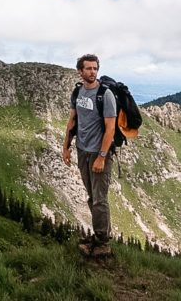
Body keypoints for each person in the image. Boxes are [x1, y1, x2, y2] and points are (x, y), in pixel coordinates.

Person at [62, 53, 116, 257]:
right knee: (92, 196)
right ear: (80, 71)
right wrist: (66, 146)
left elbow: (110, 128)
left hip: (98, 153)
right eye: (88, 68)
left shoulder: (105, 95)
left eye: (95, 68)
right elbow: (72, 121)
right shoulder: (78, 92)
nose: (92, 72)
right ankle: (100, 235)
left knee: (99, 199)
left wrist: (102, 156)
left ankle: (103, 243)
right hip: (82, 150)